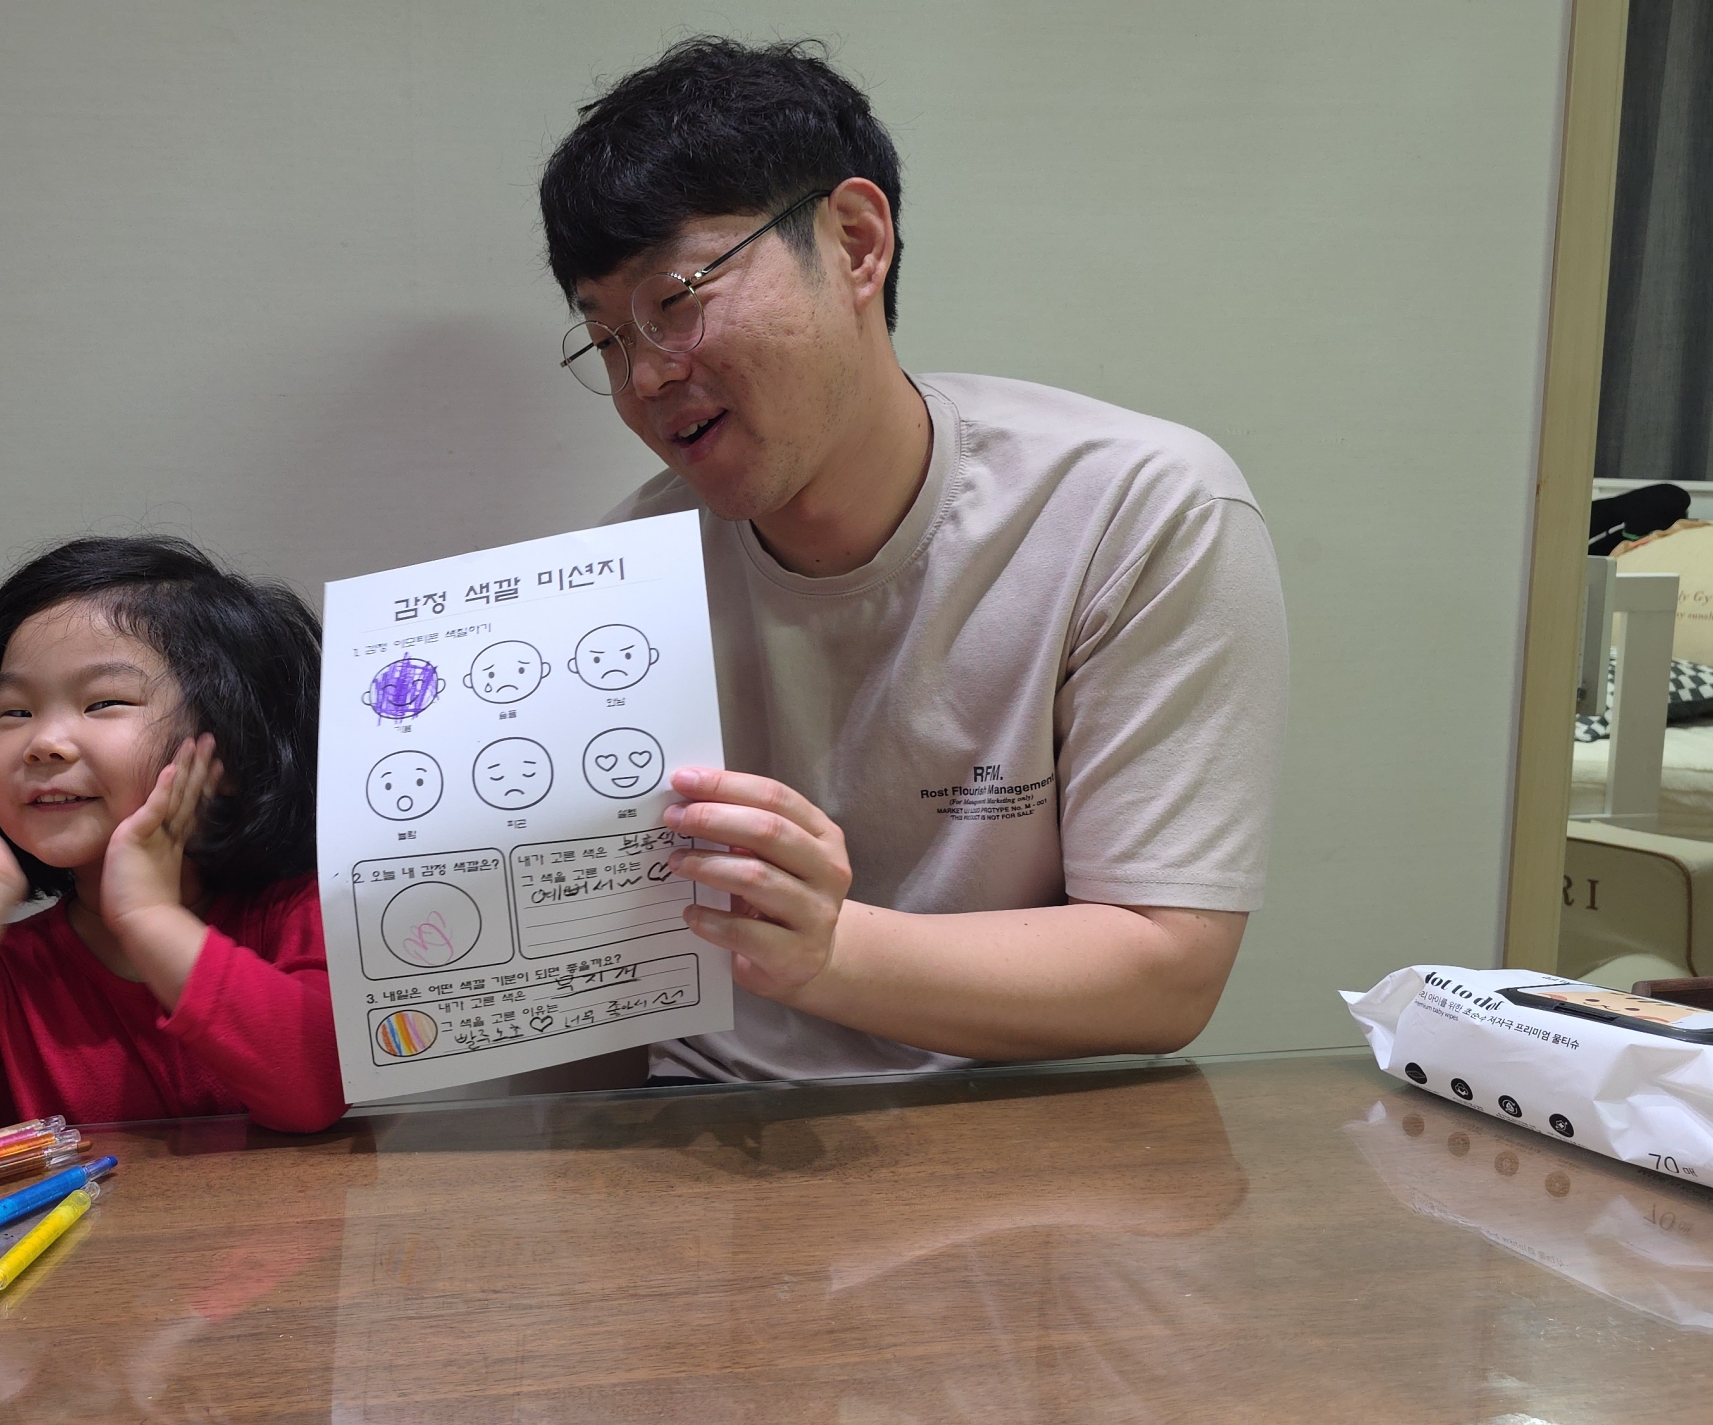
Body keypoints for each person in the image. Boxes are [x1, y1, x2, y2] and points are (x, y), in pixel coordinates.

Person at [540, 38, 1289, 1081]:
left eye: (675, 301)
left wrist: (830, 950)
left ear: (855, 242)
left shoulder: (1133, 510)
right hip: (700, 1121)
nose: (646, 378)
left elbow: (1165, 972)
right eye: (608, 339)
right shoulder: (608, 587)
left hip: (1018, 1127)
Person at [0, 536, 345, 1144]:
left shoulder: (303, 915)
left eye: (103, 702)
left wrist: (148, 914)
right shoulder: (0, 971)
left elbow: (315, 1092)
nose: (43, 743)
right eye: (15, 712)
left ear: (231, 745)